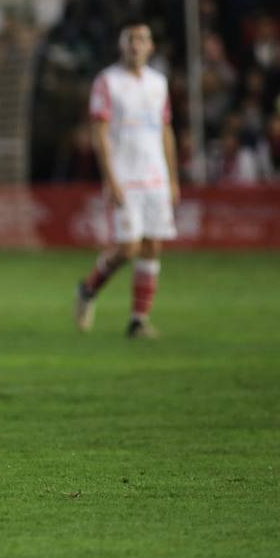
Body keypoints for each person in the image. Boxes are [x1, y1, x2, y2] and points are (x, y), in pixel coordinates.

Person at [75, 22, 180, 338]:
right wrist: (111, 179)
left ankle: (138, 321)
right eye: (132, 39)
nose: (137, 45)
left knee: (152, 245)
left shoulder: (158, 83)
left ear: (151, 47)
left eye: (143, 39)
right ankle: (89, 288)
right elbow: (100, 132)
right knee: (128, 248)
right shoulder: (108, 82)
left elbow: (165, 130)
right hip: (125, 177)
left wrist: (173, 178)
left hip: (156, 177)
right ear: (123, 46)